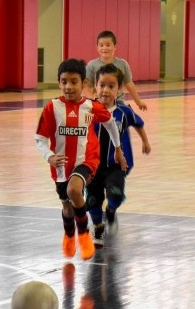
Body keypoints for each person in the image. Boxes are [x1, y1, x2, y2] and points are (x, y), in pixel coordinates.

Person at [35, 59, 126, 260]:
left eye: (74, 82)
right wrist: (49, 156)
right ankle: (69, 234)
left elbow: (110, 124)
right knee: (67, 207)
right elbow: (39, 138)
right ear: (59, 83)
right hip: (60, 166)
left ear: (83, 83)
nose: (69, 86)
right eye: (64, 81)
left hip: (87, 160)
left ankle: (84, 234)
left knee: (74, 190)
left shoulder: (91, 106)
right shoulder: (52, 108)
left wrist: (117, 149)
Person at [87, 64, 151, 247]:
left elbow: (138, 123)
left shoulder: (124, 112)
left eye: (111, 86)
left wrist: (145, 142)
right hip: (92, 166)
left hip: (116, 165)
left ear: (119, 89)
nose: (105, 90)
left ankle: (112, 210)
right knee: (92, 200)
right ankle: (98, 227)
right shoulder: (88, 111)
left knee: (115, 193)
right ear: (95, 87)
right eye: (102, 85)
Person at [84, 30, 147, 111]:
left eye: (108, 45)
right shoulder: (92, 65)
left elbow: (130, 85)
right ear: (97, 48)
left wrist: (138, 102)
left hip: (118, 103)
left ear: (115, 47)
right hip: (100, 103)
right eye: (101, 45)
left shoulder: (122, 64)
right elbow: (86, 88)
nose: (104, 48)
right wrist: (93, 100)